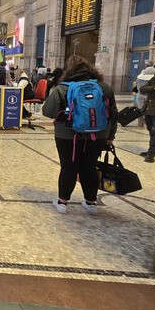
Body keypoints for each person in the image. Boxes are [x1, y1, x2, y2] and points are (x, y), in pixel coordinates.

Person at [42, 55, 118, 214]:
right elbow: (113, 114)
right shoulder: (104, 87)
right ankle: (90, 203)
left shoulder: (62, 88)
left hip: (68, 135)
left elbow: (47, 111)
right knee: (89, 166)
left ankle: (62, 202)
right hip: (98, 134)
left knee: (68, 167)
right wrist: (110, 136)